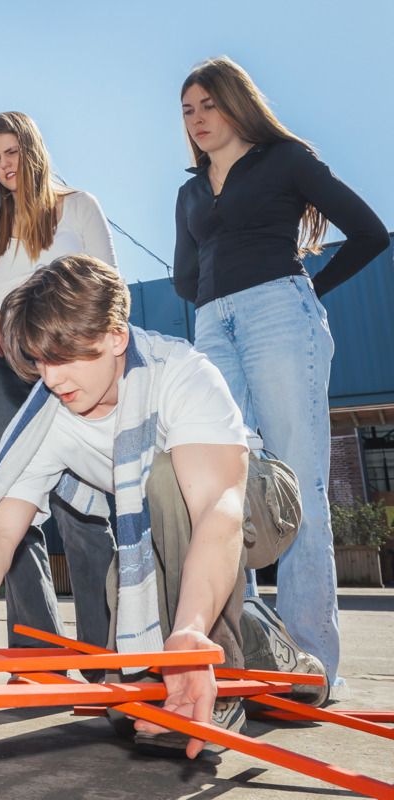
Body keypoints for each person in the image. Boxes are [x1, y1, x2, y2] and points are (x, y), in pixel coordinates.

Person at [0, 255, 327, 761]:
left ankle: (218, 659)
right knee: (121, 696)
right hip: (163, 526)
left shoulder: (180, 372)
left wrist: (188, 633)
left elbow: (217, 508)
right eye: (41, 361)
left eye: (68, 356)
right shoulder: (48, 417)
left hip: (258, 498)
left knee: (164, 478)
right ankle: (255, 634)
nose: (52, 379)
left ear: (117, 336)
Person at [174, 56, 387, 696]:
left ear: (236, 102)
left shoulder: (285, 160)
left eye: (208, 104)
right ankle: (242, 655)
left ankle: (312, 667)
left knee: (296, 481)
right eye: (188, 111)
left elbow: (371, 232)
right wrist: (217, 278)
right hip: (212, 327)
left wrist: (305, 291)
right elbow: (186, 278)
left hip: (279, 315)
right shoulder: (188, 191)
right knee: (222, 490)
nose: (198, 119)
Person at [0, 111, 118, 650]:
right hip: (1, 367)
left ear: (33, 150)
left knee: (81, 505)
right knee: (11, 502)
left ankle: (105, 658)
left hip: (68, 359)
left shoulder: (78, 207)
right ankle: (37, 652)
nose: (4, 166)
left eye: (11, 153)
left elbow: (111, 287)